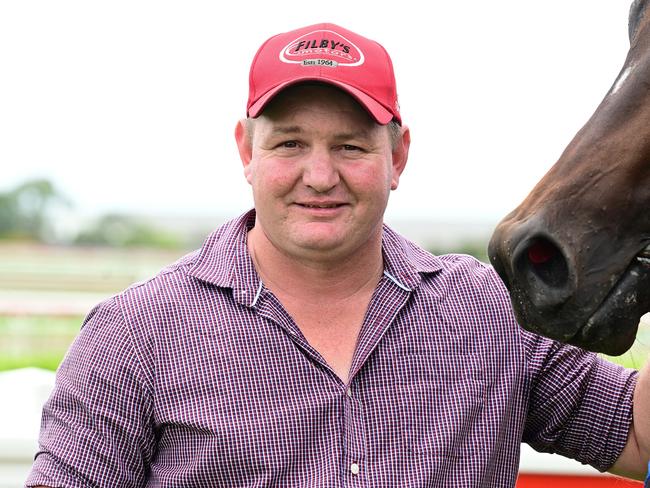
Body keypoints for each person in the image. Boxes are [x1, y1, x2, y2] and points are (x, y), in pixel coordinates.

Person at [26, 22, 650, 487]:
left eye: (350, 147)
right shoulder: (132, 334)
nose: (320, 176)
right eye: (290, 143)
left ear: (397, 156)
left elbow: (639, 436)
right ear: (247, 151)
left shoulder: (486, 311)